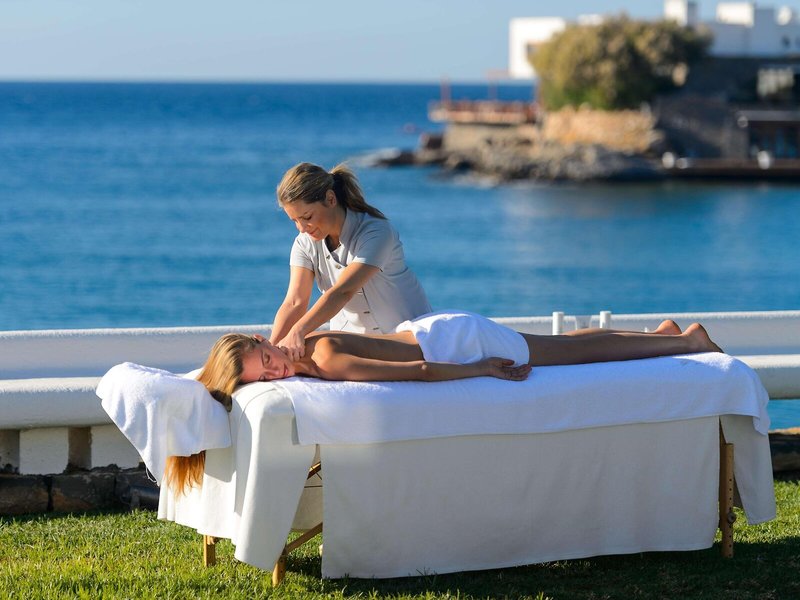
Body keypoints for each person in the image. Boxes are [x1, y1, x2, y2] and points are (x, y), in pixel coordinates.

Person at [165, 311, 722, 492]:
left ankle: (687, 343)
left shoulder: (325, 358)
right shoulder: (305, 346)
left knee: (569, 355)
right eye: (266, 376)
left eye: (268, 359)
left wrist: (481, 369)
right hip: (439, 330)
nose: (277, 372)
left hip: (454, 345)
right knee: (561, 346)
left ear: (262, 340)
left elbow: (420, 372)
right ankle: (662, 334)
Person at [270, 162, 431, 362]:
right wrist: (271, 350)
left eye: (307, 217)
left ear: (330, 199)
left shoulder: (376, 231)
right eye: (295, 221)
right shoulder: (304, 243)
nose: (302, 228)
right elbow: (295, 302)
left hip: (411, 341)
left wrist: (298, 331)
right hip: (356, 351)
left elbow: (343, 291)